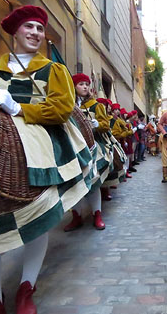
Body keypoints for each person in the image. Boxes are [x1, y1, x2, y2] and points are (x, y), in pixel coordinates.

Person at [0, 5, 91, 314]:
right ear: (15, 32)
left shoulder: (53, 70)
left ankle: (26, 287)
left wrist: (18, 109)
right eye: (29, 27)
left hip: (36, 141)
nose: (35, 33)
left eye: (40, 29)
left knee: (37, 222)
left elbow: (62, 108)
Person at [64, 73, 113, 231]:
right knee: (74, 184)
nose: (85, 87)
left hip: (92, 147)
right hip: (72, 148)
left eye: (86, 84)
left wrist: (97, 124)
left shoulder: (96, 105)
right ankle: (76, 216)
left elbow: (106, 125)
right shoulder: (67, 103)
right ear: (74, 86)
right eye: (81, 84)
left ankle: (97, 215)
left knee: (94, 181)